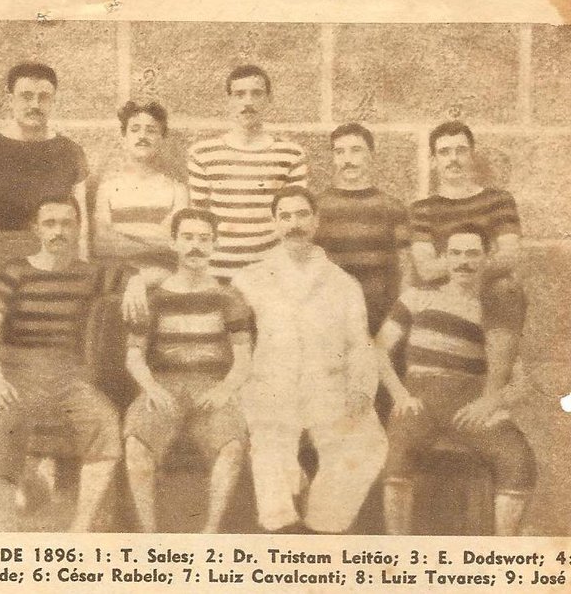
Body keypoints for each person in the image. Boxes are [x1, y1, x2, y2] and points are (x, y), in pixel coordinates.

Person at [233, 186, 387, 533]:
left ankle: (321, 528)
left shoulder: (343, 284)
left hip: (328, 385)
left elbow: (360, 345)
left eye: (302, 215)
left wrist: (361, 390)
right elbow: (233, 344)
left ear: (316, 222)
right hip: (272, 385)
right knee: (271, 450)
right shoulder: (250, 279)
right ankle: (283, 531)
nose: (294, 224)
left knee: (364, 444)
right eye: (284, 216)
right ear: (274, 224)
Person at [376, 226, 536, 535]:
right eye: (456, 253)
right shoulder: (416, 297)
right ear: (443, 258)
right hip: (419, 396)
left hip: (469, 401)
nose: (464, 261)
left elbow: (522, 384)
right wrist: (399, 395)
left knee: (518, 459)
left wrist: (490, 403)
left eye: (473, 253)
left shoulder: (495, 310)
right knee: (397, 456)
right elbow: (378, 350)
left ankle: (506, 555)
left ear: (487, 258)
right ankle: (397, 554)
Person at [0, 197, 122, 532]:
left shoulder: (89, 273)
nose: (59, 231)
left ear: (78, 228)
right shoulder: (14, 271)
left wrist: (138, 285)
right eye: (49, 223)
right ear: (35, 229)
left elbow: (130, 275)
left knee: (105, 421)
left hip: (67, 377)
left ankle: (79, 531)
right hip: (14, 372)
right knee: (2, 422)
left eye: (67, 223)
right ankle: (7, 539)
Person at [123, 208, 253, 533]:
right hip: (162, 384)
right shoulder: (153, 298)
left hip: (211, 385)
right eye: (188, 238)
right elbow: (133, 356)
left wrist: (225, 389)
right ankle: (149, 535)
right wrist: (151, 387)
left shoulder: (229, 298)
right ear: (174, 243)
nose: (196, 246)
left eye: (204, 239)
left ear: (214, 245)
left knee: (232, 448)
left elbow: (244, 356)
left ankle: (208, 535)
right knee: (135, 445)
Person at [410, 121, 526, 400]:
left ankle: (493, 394)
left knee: (506, 289)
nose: (453, 159)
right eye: (445, 152)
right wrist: (475, 263)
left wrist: (455, 267)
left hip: (489, 293)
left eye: (460, 150)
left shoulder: (498, 201)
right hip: (443, 295)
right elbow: (425, 270)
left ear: (472, 156)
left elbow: (509, 256)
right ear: (434, 160)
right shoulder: (423, 210)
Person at [0, 62, 90, 294]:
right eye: (26, 96)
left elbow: (82, 223)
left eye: (43, 97)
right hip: (7, 269)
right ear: (11, 100)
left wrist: (82, 275)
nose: (35, 105)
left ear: (53, 100)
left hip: (59, 268)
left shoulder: (71, 151)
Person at [188, 65, 307, 281]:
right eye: (239, 94)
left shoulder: (291, 155)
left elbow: (294, 222)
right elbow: (199, 221)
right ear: (229, 101)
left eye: (257, 93)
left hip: (271, 276)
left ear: (269, 100)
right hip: (217, 274)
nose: (248, 102)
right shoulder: (202, 154)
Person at [315, 123, 410, 336]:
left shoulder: (393, 207)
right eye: (340, 152)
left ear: (371, 156)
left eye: (356, 150)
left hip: (380, 321)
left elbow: (406, 271)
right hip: (330, 323)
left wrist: (396, 323)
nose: (347, 160)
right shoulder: (317, 208)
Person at [94, 100, 188, 271]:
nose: (142, 136)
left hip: (162, 280)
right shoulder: (107, 189)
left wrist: (121, 237)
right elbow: (102, 243)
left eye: (151, 130)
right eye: (135, 129)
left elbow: (177, 245)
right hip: (117, 281)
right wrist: (156, 244)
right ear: (124, 137)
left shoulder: (177, 191)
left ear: (162, 137)